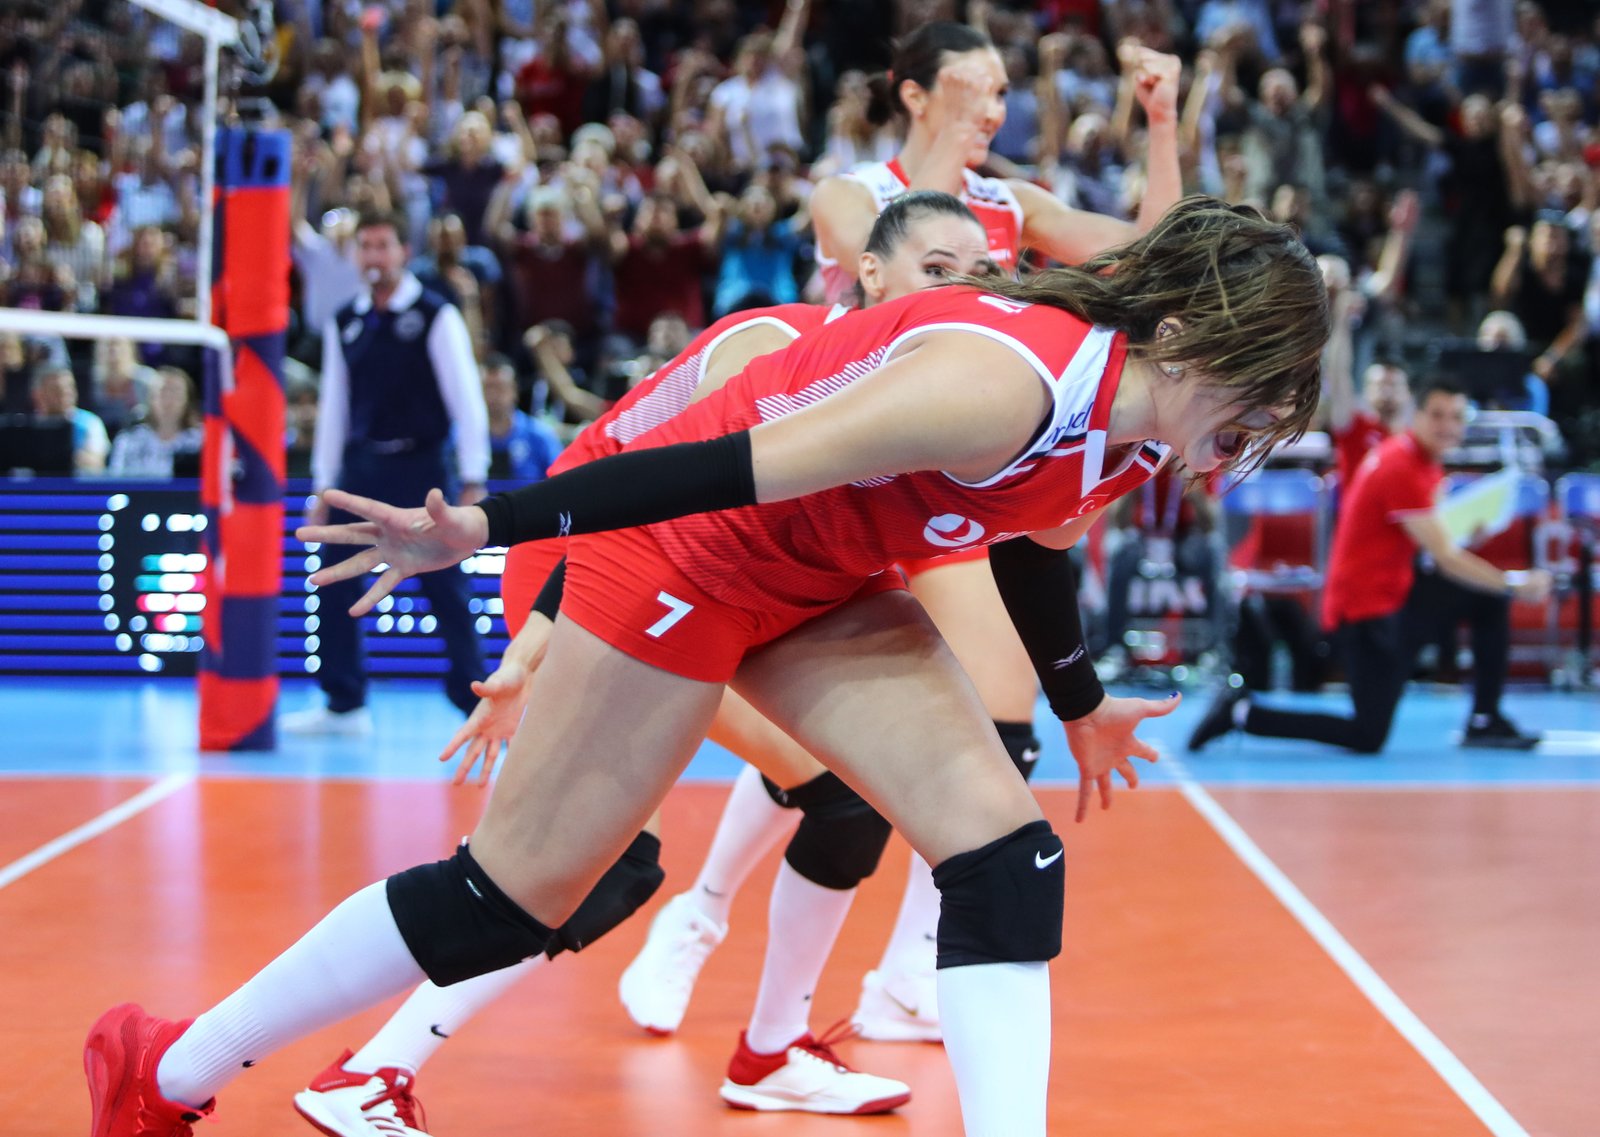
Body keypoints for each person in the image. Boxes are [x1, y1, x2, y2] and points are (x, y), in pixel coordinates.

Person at [84, 197, 1329, 1137]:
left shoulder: (1133, 435)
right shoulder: (998, 386)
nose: (1263, 428)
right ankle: (166, 1067)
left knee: (1009, 857)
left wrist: (1082, 702)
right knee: (507, 898)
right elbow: (714, 467)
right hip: (694, 549)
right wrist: (486, 528)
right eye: (1258, 390)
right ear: (1180, 338)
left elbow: (1032, 546)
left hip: (827, 581)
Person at [293, 192, 997, 1136]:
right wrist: (536, 648)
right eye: (937, 270)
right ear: (867, 273)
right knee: (606, 864)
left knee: (841, 798)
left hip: (706, 575)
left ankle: (770, 1050)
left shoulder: (906, 394)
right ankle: (374, 1067)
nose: (959, 294)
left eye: (980, 277)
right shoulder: (775, 348)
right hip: (589, 556)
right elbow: (640, 500)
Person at [692, 18, 1183, 1045]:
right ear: (913, 92)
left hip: (941, 491)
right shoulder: (853, 193)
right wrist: (956, 208)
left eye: (1005, 92)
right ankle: (701, 914)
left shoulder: (1016, 204)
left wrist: (1162, 120)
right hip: (838, 471)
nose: (994, 107)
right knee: (817, 755)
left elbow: (1158, 261)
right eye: (975, 86)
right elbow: (886, 270)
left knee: (995, 732)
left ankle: (899, 976)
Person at [1189, 380, 1553, 756]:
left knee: (1485, 597)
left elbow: (1430, 544)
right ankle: (1243, 713)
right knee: (1367, 735)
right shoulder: (1401, 465)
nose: (1447, 425)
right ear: (1416, 415)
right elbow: (1443, 557)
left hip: (1399, 594)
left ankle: (1484, 718)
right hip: (1365, 611)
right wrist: (1514, 585)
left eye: (1457, 417)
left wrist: (1475, 549)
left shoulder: (1422, 461)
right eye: (1438, 415)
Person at [282, 210, 490, 735]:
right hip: (360, 469)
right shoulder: (346, 320)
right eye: (366, 247)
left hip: (422, 470)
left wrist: (473, 474)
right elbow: (334, 406)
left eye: (383, 245)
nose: (374, 257)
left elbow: (466, 398)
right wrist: (323, 483)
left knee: (445, 585)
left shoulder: (434, 313)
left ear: (403, 252)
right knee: (335, 582)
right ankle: (344, 702)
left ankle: (476, 702)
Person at [107, 366, 201, 477]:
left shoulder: (201, 441)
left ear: (187, 399)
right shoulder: (128, 440)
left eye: (175, 392)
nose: (168, 399)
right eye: (162, 391)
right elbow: (116, 480)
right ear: (150, 397)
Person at [483, 354, 562, 482]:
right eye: (487, 388)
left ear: (514, 390)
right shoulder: (463, 436)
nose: (493, 395)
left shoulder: (540, 436)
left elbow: (560, 482)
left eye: (499, 388)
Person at [31, 366, 108, 473]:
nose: (66, 393)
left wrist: (64, 454)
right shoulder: (29, 425)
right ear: (38, 394)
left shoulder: (90, 422)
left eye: (70, 387)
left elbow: (96, 464)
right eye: (56, 389)